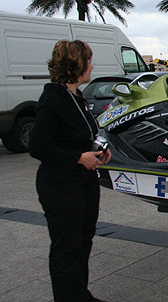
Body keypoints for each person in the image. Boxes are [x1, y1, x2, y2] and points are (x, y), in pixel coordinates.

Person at [29, 40, 111, 302]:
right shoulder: (54, 97)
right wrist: (79, 158)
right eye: (88, 61)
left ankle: (79, 294)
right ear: (76, 64)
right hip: (60, 185)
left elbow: (78, 134)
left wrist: (98, 151)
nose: (92, 66)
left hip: (82, 182)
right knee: (67, 247)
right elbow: (38, 146)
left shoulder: (75, 95)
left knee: (83, 241)